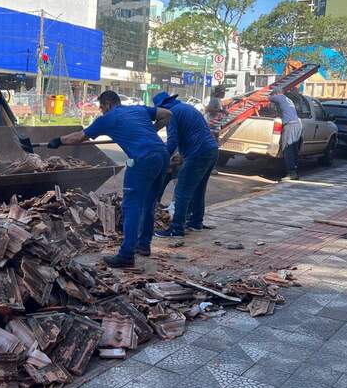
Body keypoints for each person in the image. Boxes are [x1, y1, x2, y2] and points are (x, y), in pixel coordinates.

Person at [48, 90, 171, 267]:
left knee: (131, 205)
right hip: (161, 154)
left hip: (142, 159)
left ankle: (127, 255)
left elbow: (79, 137)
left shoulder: (108, 118)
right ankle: (143, 245)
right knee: (148, 202)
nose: (101, 111)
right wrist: (151, 130)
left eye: (101, 107)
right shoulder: (137, 109)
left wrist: (57, 141)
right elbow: (167, 114)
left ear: (107, 104)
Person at [152, 92, 219, 237]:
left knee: (182, 190)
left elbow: (172, 141)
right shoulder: (186, 108)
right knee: (198, 189)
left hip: (198, 153)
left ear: (161, 108)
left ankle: (176, 228)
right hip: (211, 150)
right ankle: (196, 222)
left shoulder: (171, 114)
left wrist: (162, 160)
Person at [270, 89, 302, 180]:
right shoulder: (288, 99)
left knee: (288, 149)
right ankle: (294, 173)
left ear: (276, 93)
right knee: (294, 149)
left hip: (290, 125)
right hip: (297, 124)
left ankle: (291, 174)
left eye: (274, 95)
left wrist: (247, 98)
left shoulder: (280, 97)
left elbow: (264, 99)